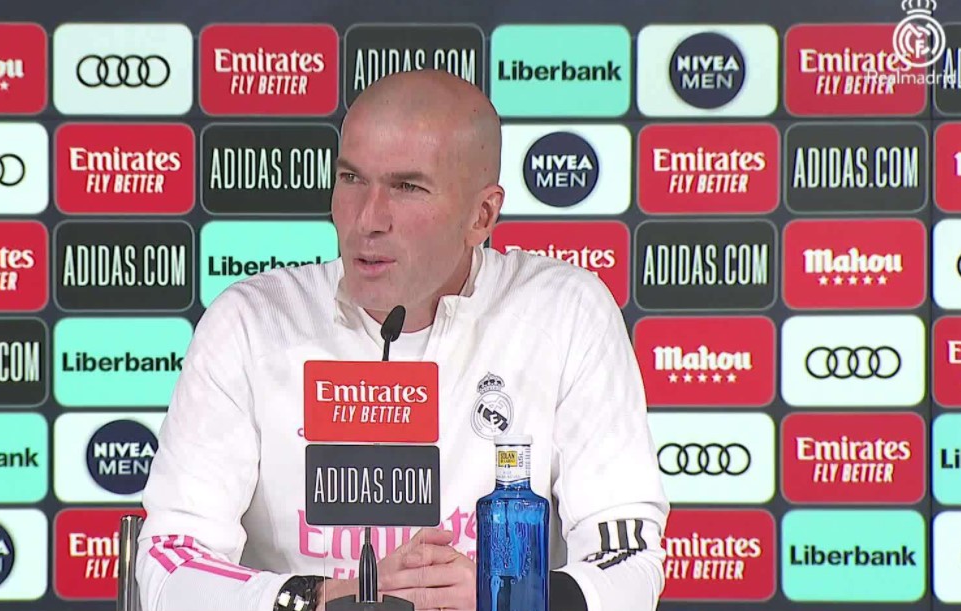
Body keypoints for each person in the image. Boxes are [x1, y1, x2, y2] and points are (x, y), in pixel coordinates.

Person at [135, 69, 669, 611]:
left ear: (481, 215)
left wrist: (505, 596)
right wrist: (324, 599)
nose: (368, 219)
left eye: (407, 188)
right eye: (351, 179)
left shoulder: (565, 313)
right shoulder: (253, 322)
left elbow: (627, 561)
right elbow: (169, 566)